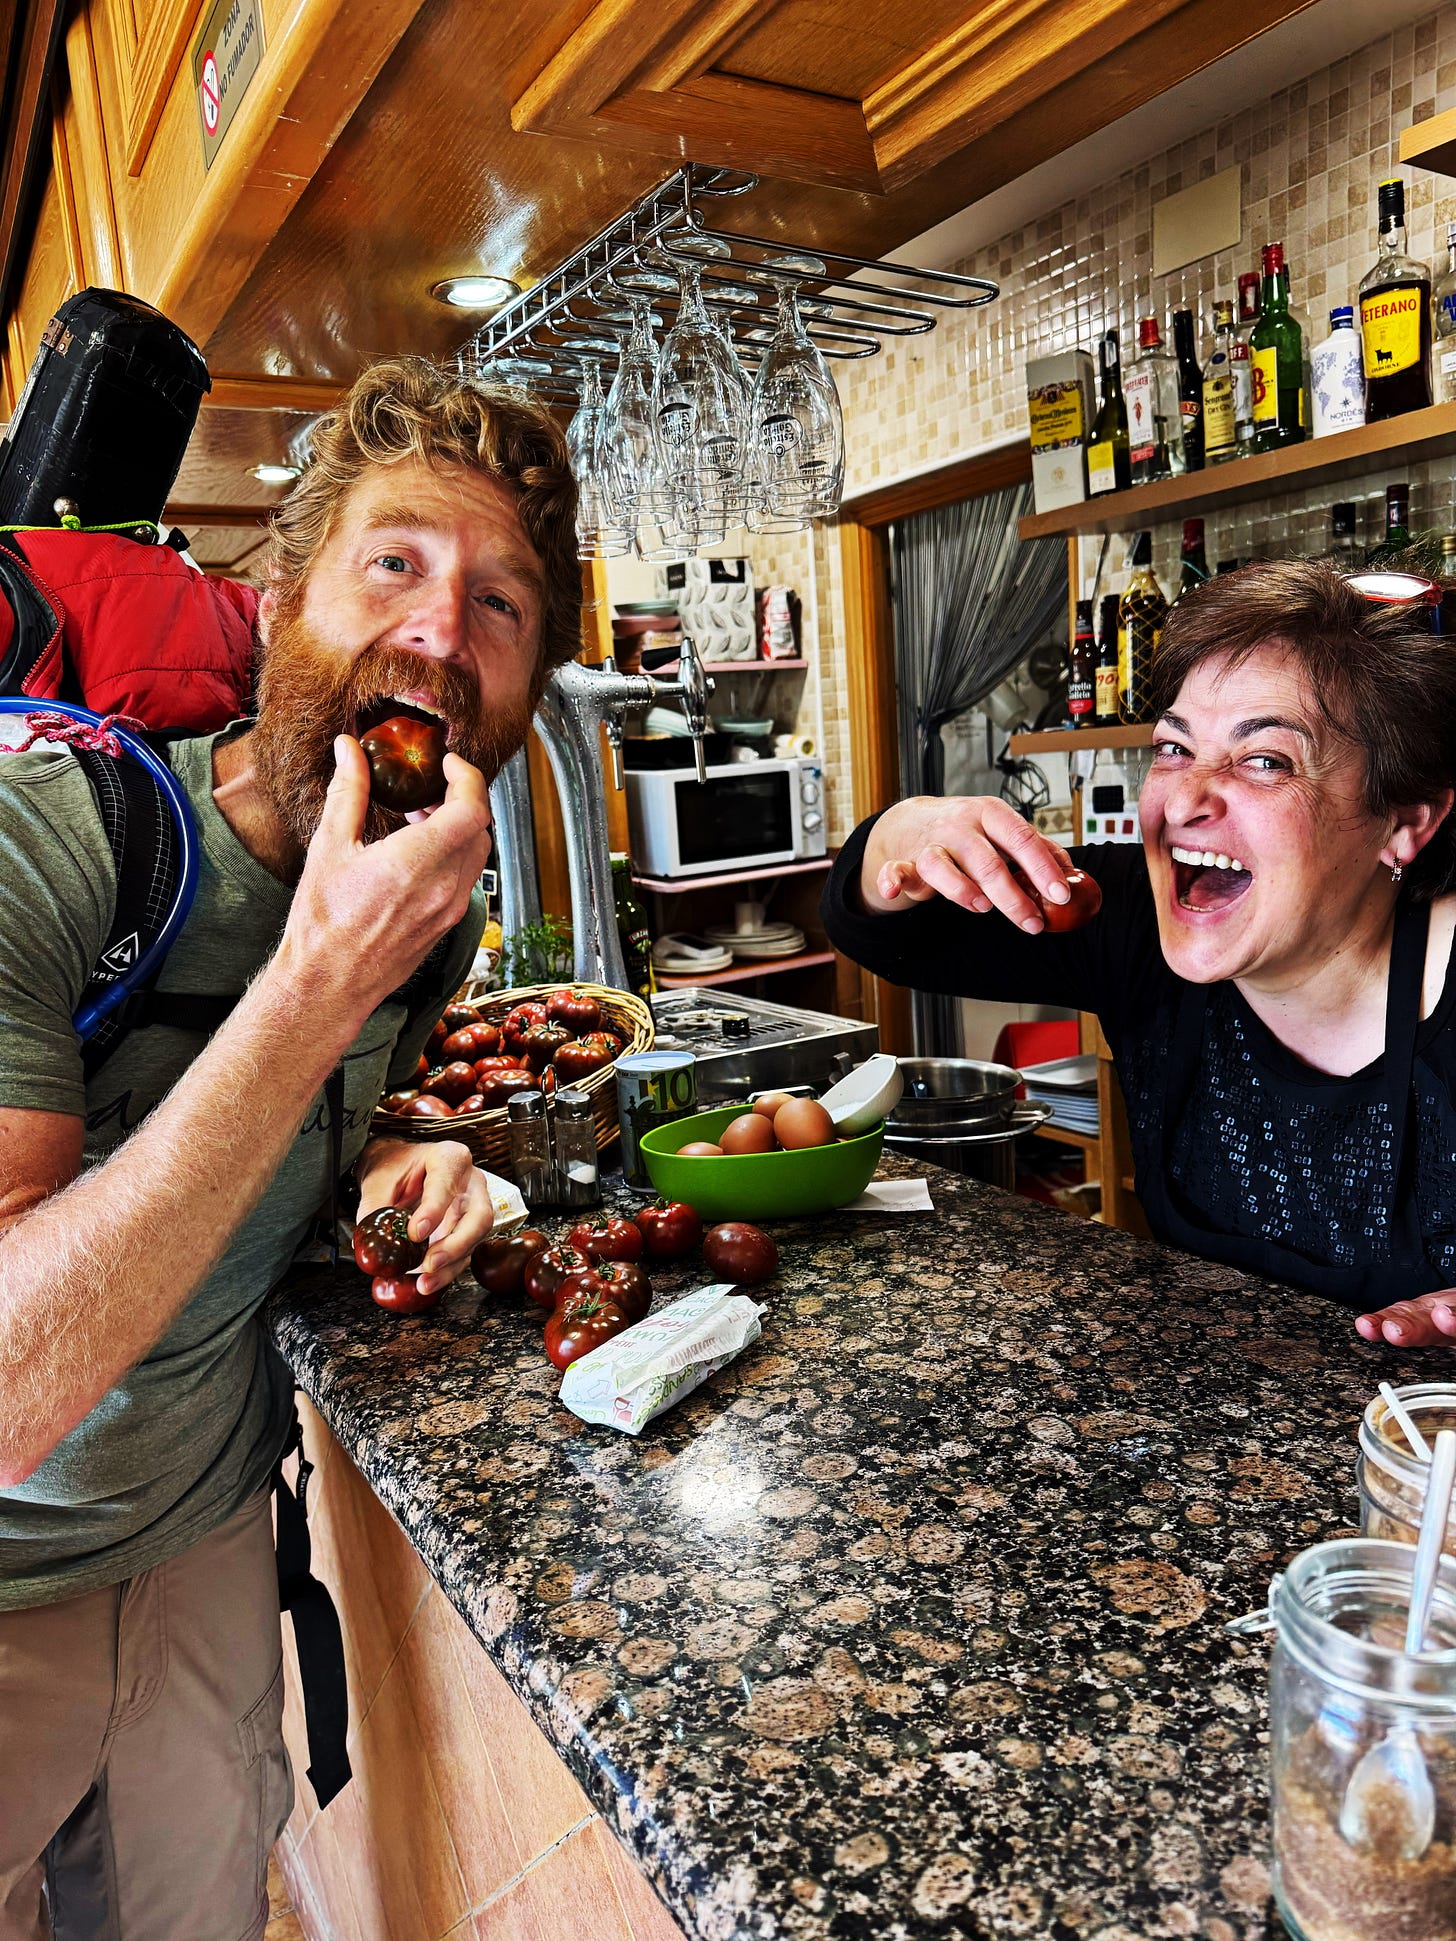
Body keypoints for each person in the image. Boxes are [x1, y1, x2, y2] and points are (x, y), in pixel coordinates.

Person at [0, 356, 579, 1940]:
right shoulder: (45, 846)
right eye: (392, 562)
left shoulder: (424, 922)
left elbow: (302, 1136)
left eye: (499, 603)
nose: (439, 631)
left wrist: (388, 1163)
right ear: (276, 605)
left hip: (202, 1556)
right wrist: (319, 983)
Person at [824, 558, 1456, 1350]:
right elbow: (887, 934)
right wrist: (905, 830)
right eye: (1173, 748)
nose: (1184, 800)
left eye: (1265, 760)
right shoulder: (1132, 920)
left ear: (1404, 821)